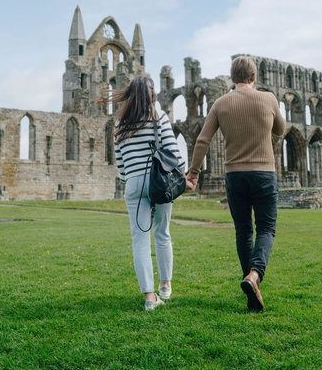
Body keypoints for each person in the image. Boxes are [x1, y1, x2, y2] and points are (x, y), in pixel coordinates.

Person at [186, 56, 286, 311]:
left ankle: (251, 286)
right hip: (263, 174)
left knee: (243, 232)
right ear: (254, 77)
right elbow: (280, 130)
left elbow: (202, 140)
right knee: (266, 229)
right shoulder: (268, 98)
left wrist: (193, 173)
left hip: (234, 176)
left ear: (232, 78)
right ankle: (254, 276)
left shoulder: (221, 103)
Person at [113, 75, 186, 311]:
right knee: (162, 233)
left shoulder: (120, 123)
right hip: (158, 182)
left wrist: (131, 180)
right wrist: (183, 176)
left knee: (139, 240)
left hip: (133, 184)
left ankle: (149, 297)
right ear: (151, 94)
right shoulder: (158, 116)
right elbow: (171, 150)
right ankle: (165, 284)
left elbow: (120, 162)